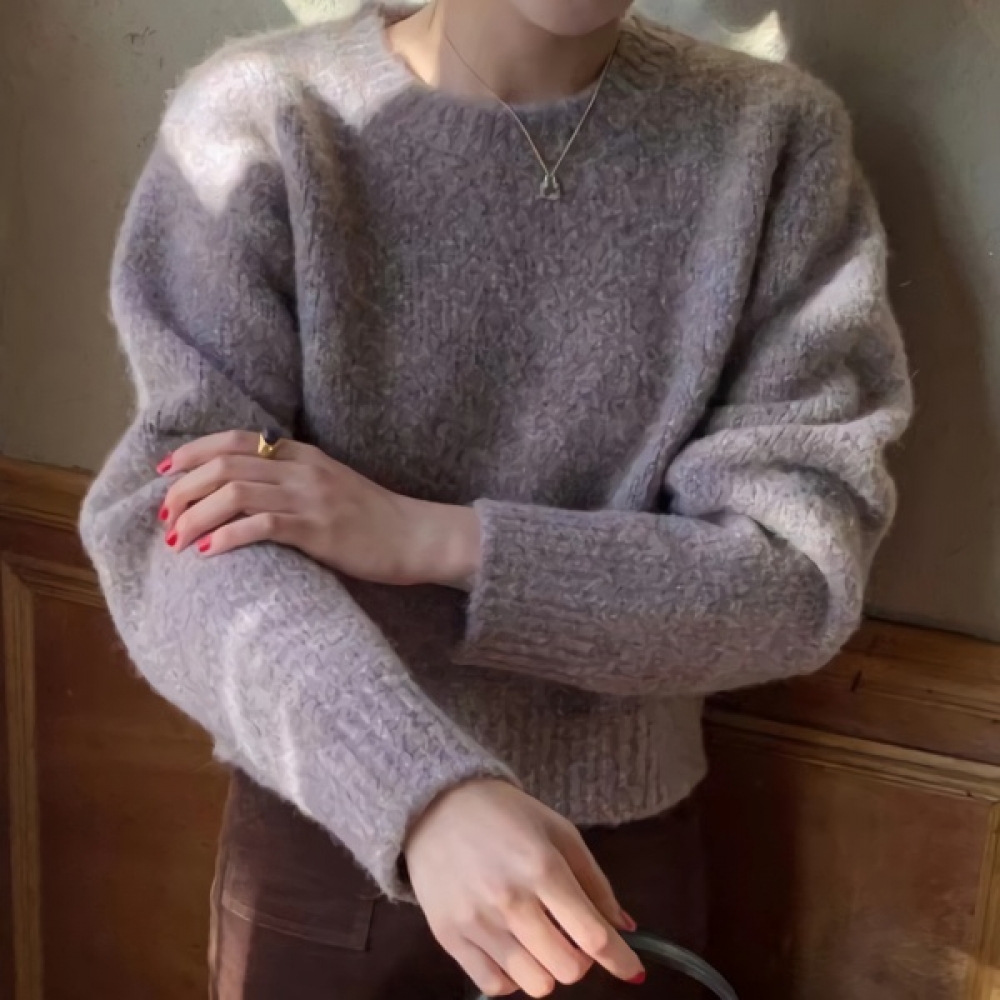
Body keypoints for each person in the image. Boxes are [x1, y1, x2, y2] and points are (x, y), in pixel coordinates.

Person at [80, 0, 912, 996]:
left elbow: (794, 580)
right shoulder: (264, 116)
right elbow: (177, 530)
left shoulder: (773, 140)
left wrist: (440, 540)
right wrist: (418, 788)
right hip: (330, 843)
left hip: (619, 878)